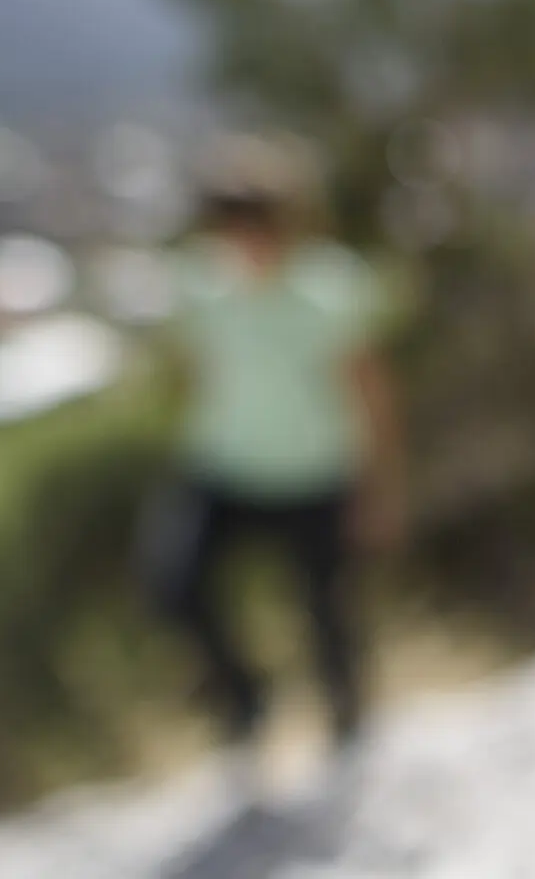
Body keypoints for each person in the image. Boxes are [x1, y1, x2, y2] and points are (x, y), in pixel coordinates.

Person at [142, 136, 404, 756]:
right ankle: (245, 700)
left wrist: (382, 487)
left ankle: (348, 723)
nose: (243, 241)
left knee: (326, 611)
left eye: (255, 224)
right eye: (230, 226)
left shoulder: (332, 287)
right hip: (223, 467)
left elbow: (371, 392)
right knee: (172, 582)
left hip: (315, 472)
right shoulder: (197, 282)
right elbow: (197, 367)